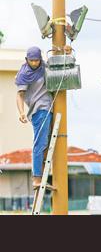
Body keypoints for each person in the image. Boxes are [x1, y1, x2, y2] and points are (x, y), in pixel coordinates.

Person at [14, 47, 53, 190]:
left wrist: (65, 51)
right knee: (39, 143)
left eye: (37, 60)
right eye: (32, 60)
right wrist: (21, 112)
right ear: (27, 60)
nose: (35, 63)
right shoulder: (24, 74)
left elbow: (56, 66)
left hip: (48, 107)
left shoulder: (44, 66)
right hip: (38, 110)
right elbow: (20, 95)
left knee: (46, 144)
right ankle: (37, 178)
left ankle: (41, 176)